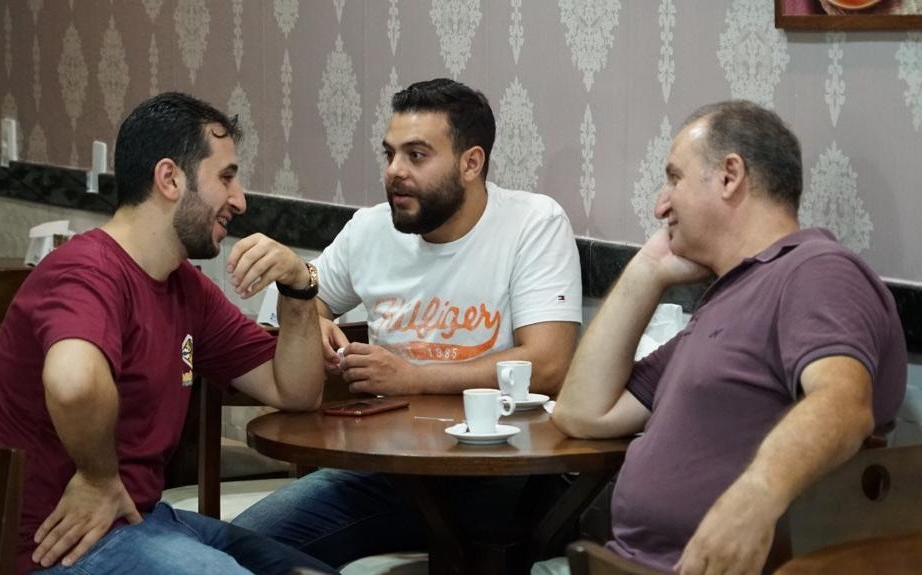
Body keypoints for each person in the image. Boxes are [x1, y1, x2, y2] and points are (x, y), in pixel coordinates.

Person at [0, 92, 337, 575]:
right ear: (170, 179)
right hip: (54, 550)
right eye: (226, 177)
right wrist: (99, 478)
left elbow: (295, 391)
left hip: (140, 521)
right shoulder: (86, 271)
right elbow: (74, 383)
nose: (240, 200)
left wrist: (298, 286)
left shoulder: (185, 286)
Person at [232, 78, 584, 566]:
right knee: (239, 550)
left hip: (501, 471)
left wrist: (413, 377)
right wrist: (311, 321)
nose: (395, 171)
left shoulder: (532, 224)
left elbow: (548, 364)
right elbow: (295, 302)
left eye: (416, 156)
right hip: (382, 468)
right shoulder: (371, 229)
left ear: (471, 163)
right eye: (390, 154)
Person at [552, 100, 907, 574]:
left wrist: (755, 497)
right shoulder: (731, 296)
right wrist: (649, 270)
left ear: (729, 176)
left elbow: (844, 404)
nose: (661, 205)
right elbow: (582, 413)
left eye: (674, 178)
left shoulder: (816, 271)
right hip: (625, 562)